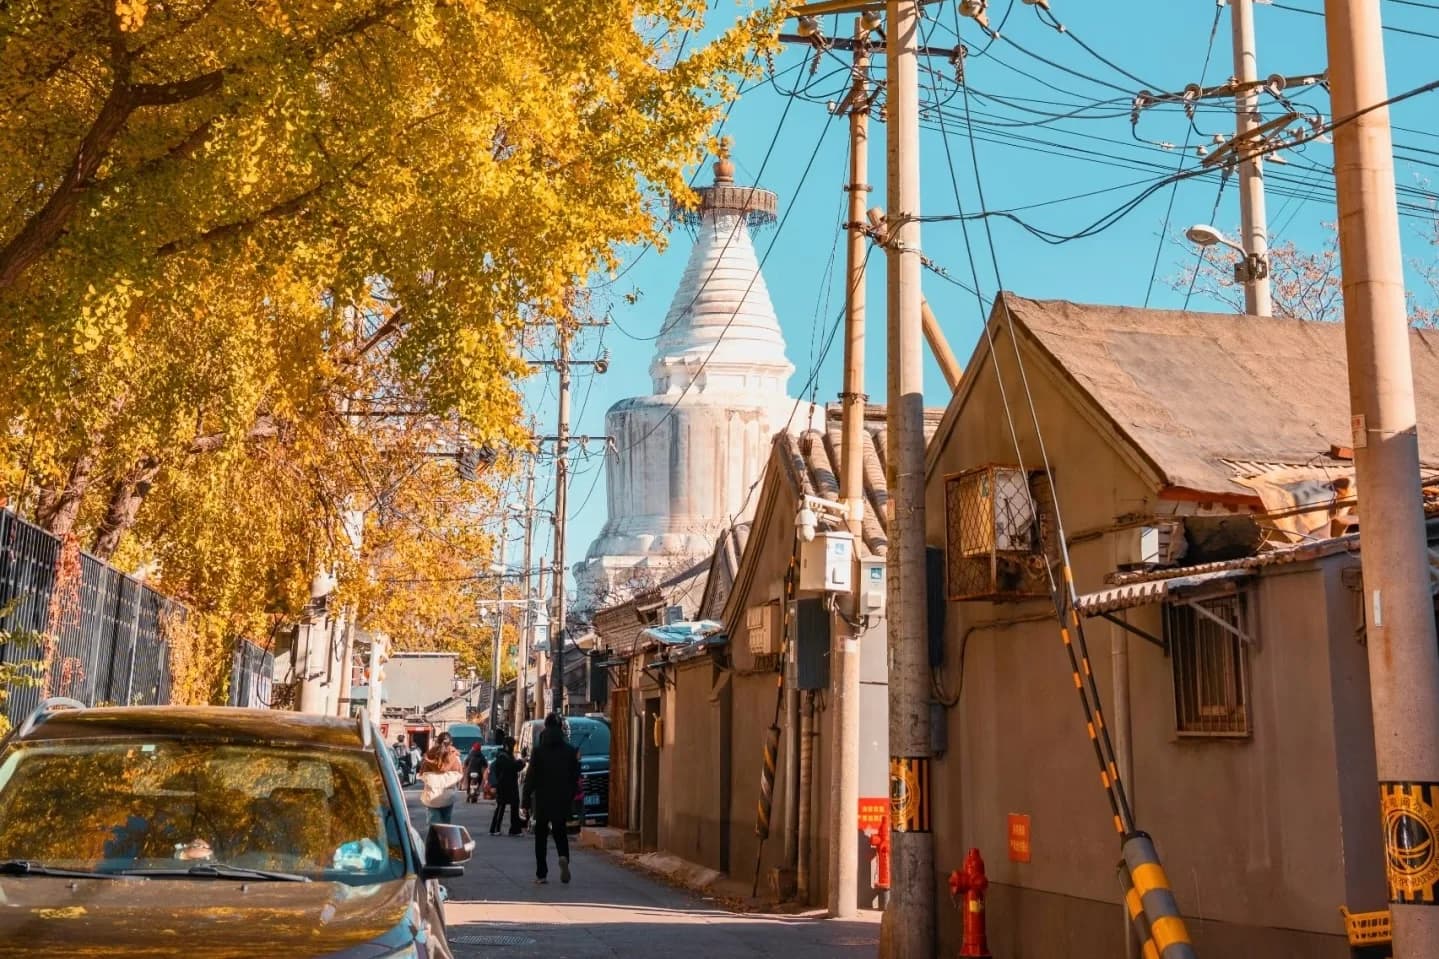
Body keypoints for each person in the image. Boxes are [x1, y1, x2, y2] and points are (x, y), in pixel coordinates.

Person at [521, 714, 580, 884]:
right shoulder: (570, 751)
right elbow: (575, 777)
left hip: (542, 799)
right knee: (560, 831)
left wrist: (525, 801)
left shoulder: (538, 751)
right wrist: (570, 795)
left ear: (545, 728)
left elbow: (530, 778)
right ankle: (563, 857)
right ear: (561, 728)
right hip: (561, 798)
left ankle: (541, 874)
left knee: (540, 836)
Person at [418, 732, 463, 825]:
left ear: (437, 741)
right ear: (451, 743)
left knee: (433, 826)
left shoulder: (430, 754)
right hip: (448, 796)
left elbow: (422, 774)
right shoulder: (454, 755)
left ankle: (434, 839)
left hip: (432, 796)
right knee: (446, 824)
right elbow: (460, 774)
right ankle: (445, 838)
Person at [488, 737, 524, 836]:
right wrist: (521, 763)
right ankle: (495, 829)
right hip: (504, 786)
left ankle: (514, 829)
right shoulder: (503, 757)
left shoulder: (507, 755)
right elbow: (512, 767)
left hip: (510, 786)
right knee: (501, 807)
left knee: (513, 807)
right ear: (508, 746)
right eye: (512, 745)